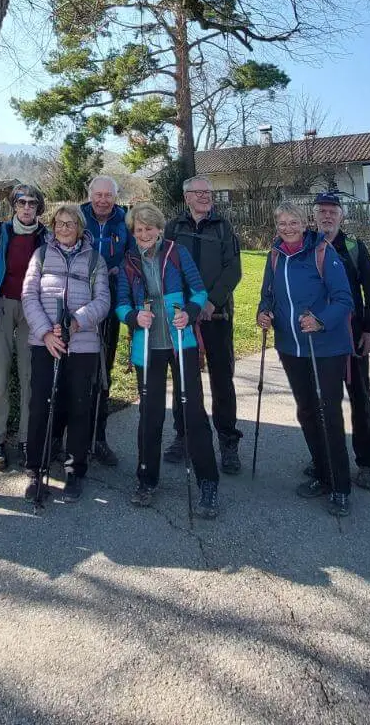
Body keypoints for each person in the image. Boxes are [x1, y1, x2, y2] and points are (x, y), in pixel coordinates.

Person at [116, 202, 221, 517]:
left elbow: (199, 291)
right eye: (139, 229)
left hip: (180, 341)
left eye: (150, 228)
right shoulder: (128, 262)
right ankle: (146, 479)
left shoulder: (177, 252)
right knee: (150, 415)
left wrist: (188, 313)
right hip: (147, 346)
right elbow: (121, 303)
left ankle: (208, 481)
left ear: (159, 230)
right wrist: (134, 316)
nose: (145, 234)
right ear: (133, 233)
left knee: (192, 412)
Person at [256, 201, 356, 517]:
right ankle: (322, 471)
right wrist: (264, 313)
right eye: (282, 223)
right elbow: (267, 295)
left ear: (304, 223)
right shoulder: (274, 256)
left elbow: (344, 299)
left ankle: (340, 485)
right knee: (306, 411)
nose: (288, 228)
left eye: (293, 222)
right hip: (291, 346)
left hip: (326, 345)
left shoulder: (323, 252)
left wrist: (321, 319)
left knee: (329, 412)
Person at [21, 202, 111, 504]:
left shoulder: (95, 259)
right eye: (58, 223)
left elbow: (103, 301)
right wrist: (46, 331)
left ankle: (75, 470)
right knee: (41, 405)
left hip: (82, 345)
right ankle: (36, 468)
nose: (63, 228)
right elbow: (28, 294)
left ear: (80, 228)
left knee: (78, 407)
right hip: (45, 342)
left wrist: (76, 322)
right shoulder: (41, 255)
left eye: (69, 223)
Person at [161, 176, 244, 473]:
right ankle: (184, 435)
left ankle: (227, 441)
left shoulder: (223, 227)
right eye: (198, 192)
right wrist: (181, 306)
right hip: (182, 316)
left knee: (222, 379)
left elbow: (233, 269)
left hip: (216, 315)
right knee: (184, 379)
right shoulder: (173, 228)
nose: (205, 196)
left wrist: (211, 302)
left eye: (208, 192)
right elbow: (165, 266)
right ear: (187, 197)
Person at [309, 191, 370, 489]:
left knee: (359, 399)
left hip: (353, 336)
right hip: (317, 334)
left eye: (333, 212)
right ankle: (325, 457)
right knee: (321, 401)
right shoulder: (307, 245)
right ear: (314, 216)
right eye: (322, 211)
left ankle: (366, 461)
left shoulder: (353, 247)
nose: (327, 216)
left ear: (342, 216)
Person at [0, 183, 48, 471]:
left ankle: (28, 438)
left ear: (38, 207)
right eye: (21, 203)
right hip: (0, 307)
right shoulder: (0, 232)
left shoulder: (46, 237)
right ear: (14, 206)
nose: (27, 208)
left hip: (34, 310)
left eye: (32, 203)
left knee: (30, 376)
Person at [78, 175, 132, 466]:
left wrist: (118, 271)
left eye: (107, 196)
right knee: (74, 372)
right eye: (97, 195)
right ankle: (67, 438)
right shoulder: (76, 217)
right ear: (89, 195)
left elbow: (133, 257)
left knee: (102, 371)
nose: (102, 200)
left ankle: (98, 438)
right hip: (75, 306)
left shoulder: (125, 222)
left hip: (109, 307)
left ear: (115, 196)